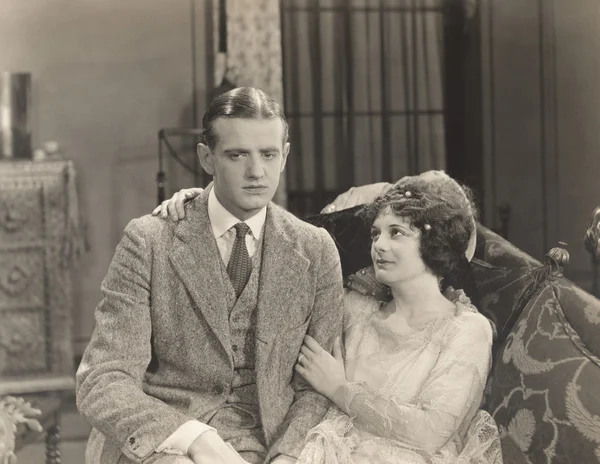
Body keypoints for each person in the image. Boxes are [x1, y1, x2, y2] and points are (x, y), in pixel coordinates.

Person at [76, 87, 344, 464]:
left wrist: (289, 455)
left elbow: (316, 388)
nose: (256, 172)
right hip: (167, 438)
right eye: (237, 155)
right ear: (207, 158)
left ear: (284, 156)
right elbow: (102, 380)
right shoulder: (150, 240)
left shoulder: (315, 250)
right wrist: (193, 438)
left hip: (268, 442)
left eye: (268, 155)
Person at [157, 172, 502, 463]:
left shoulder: (467, 330)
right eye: (375, 233)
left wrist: (339, 388)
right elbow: (277, 252)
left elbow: (430, 433)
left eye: (396, 233)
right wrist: (208, 207)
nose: (379, 245)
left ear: (436, 243)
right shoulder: (355, 309)